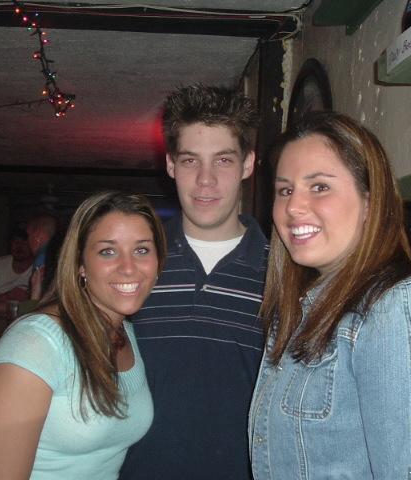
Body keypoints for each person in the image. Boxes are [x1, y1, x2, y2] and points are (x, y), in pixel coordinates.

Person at [249, 112, 411, 479]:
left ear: (370, 202)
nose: (292, 207)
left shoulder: (400, 310)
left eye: (319, 186)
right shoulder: (302, 308)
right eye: (285, 190)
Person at [0, 191, 166, 480]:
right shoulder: (38, 343)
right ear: (80, 265)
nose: (129, 267)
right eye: (108, 251)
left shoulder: (128, 334)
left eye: (142, 250)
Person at [120, 84, 268, 480]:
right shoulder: (136, 261)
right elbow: (67, 322)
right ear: (171, 165)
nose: (205, 180)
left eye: (223, 160)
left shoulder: (284, 274)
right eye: (190, 161)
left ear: (248, 164)